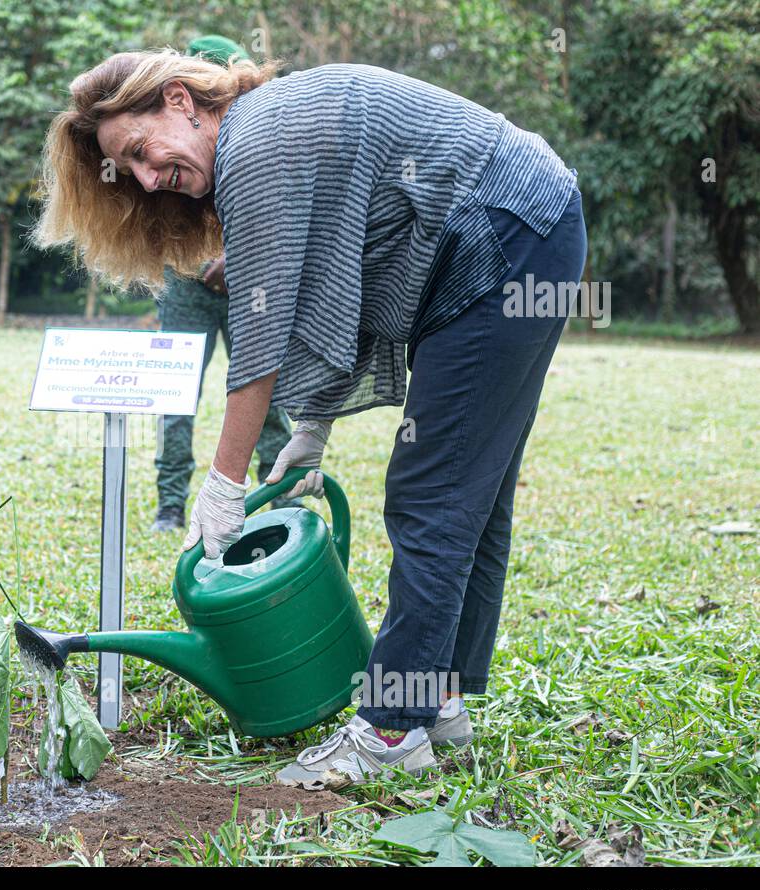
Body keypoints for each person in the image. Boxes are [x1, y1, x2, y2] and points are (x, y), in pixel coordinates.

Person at [35, 51, 585, 785]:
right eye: (128, 170)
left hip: (506, 234)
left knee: (433, 495)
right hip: (531, 225)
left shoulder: (255, 141)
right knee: (471, 494)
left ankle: (392, 734)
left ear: (178, 100)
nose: (143, 177)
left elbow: (259, 338)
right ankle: (438, 698)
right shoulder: (264, 133)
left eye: (140, 150)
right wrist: (312, 424)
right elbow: (337, 284)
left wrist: (225, 482)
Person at [150, 35, 295, 532]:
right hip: (186, 286)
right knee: (176, 398)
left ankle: (282, 497)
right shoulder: (167, 130)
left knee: (267, 394)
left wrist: (236, 258)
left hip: (248, 286)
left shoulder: (256, 123)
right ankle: (170, 504)